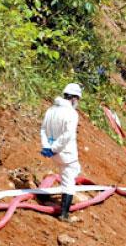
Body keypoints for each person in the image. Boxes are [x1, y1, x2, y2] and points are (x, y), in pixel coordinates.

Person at [39, 83, 83, 222]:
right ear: (74, 98)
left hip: (53, 152)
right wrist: (54, 148)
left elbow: (44, 130)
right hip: (65, 153)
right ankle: (64, 214)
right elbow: (67, 135)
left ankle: (44, 197)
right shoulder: (71, 113)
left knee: (70, 173)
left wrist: (47, 147)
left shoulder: (51, 110)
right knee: (70, 180)